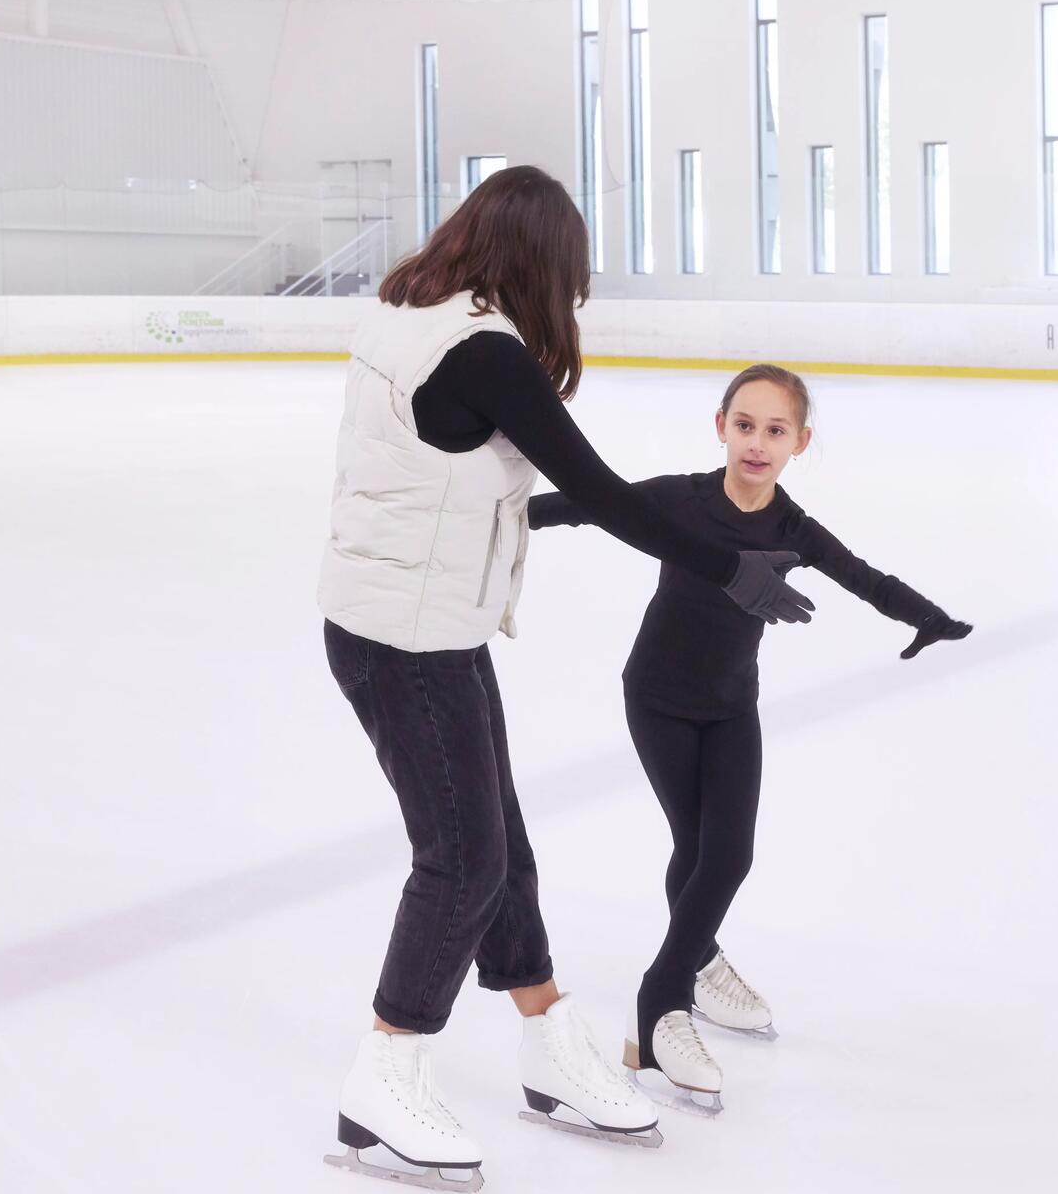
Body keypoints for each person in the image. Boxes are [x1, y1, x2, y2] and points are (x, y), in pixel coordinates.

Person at [317, 166, 815, 1190]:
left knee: (501, 843)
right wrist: (729, 564)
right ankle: (386, 1066)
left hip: (403, 619)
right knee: (462, 858)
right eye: (571, 278)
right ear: (539, 264)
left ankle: (546, 1036)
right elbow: (596, 489)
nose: (572, 300)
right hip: (407, 635)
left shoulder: (409, 310)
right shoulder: (487, 352)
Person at [526, 363, 973, 1116]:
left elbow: (862, 575)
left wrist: (926, 615)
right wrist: (495, 515)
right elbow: (585, 506)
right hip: (659, 701)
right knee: (702, 850)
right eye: (745, 425)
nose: (757, 443)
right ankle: (660, 1007)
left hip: (734, 707)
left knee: (721, 853)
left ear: (800, 441)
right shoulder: (681, 498)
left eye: (775, 430)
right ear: (721, 426)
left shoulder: (792, 528)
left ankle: (690, 967)